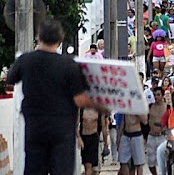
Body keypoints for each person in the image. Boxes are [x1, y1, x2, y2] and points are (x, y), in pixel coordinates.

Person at [6, 20, 107, 174]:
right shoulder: (69, 65)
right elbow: (79, 99)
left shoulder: (25, 60)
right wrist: (101, 105)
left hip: (35, 128)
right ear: (61, 39)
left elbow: (10, 81)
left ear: (39, 37)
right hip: (62, 131)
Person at [78, 108, 108, 175]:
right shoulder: (81, 109)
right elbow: (76, 124)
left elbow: (104, 127)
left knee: (95, 169)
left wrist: (106, 144)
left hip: (94, 138)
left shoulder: (99, 110)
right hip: (84, 138)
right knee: (87, 165)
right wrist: (79, 137)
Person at [147, 87, 168, 175]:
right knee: (151, 162)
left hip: (163, 136)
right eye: (154, 95)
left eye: (158, 95)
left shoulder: (168, 107)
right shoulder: (150, 106)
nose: (156, 97)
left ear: (162, 95)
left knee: (164, 160)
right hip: (151, 136)